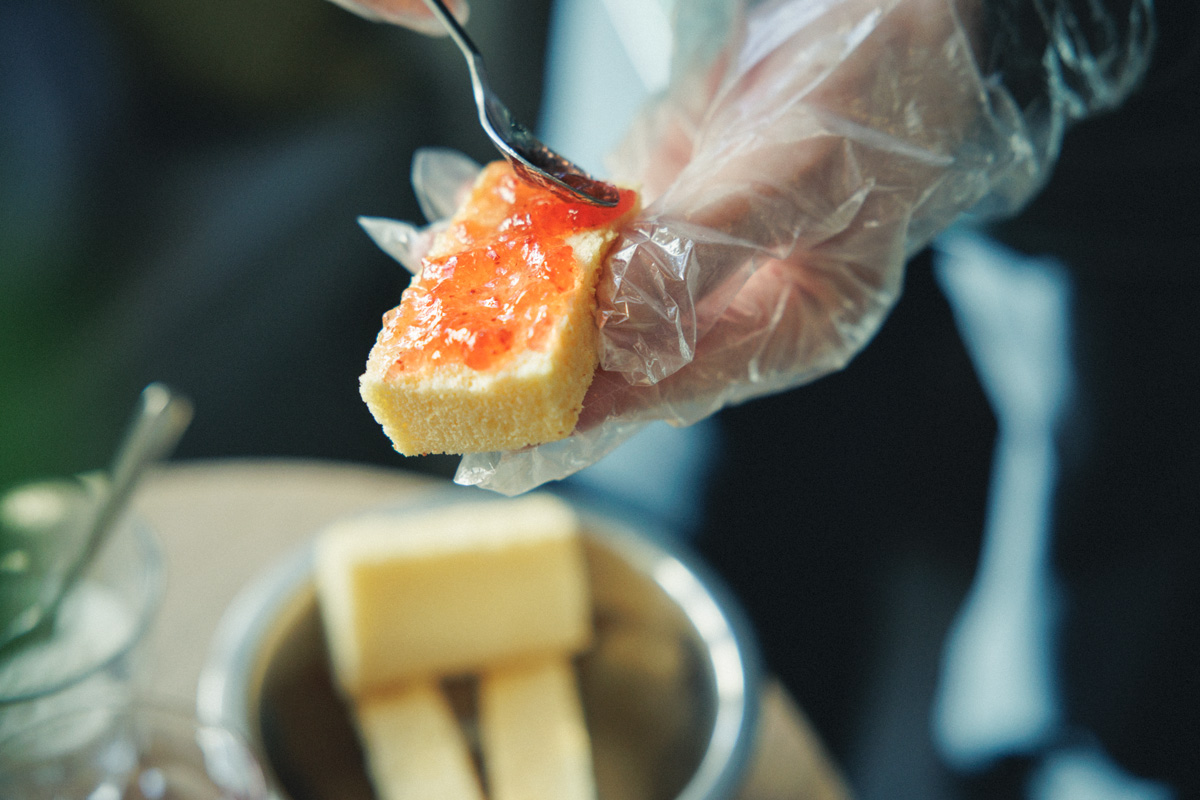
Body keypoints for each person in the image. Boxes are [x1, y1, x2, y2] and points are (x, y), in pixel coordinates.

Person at [326, 0, 1200, 795]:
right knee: (705, 502)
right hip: (669, 37)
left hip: (1124, 162)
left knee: (1108, 630)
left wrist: (1021, 21)